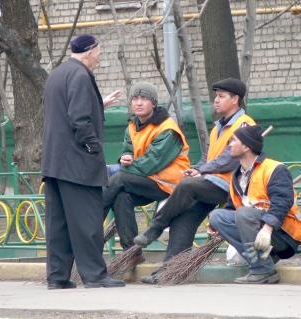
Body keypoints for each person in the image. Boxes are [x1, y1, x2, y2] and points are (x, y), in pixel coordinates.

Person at [134, 77, 256, 284]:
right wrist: (198, 169)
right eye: (216, 96)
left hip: (232, 186)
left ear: (235, 99)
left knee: (187, 186)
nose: (216, 101)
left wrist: (202, 171)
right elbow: (207, 156)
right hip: (212, 184)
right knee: (183, 219)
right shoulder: (218, 127)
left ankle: (156, 226)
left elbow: (229, 160)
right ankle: (169, 271)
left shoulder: (244, 125)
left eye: (221, 97)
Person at [42, 34, 125, 289]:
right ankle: (95, 275)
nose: (100, 57)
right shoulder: (80, 75)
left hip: (55, 162)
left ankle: (57, 277)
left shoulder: (58, 73)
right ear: (89, 51)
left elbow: (65, 110)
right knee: (87, 220)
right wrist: (92, 147)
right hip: (77, 163)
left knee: (59, 224)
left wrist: (99, 104)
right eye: (99, 52)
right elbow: (79, 119)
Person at [208, 125, 301, 284]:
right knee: (217, 217)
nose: (229, 144)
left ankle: (262, 270)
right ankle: (264, 261)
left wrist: (267, 228)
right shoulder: (237, 176)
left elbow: (282, 202)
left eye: (233, 141)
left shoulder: (274, 169)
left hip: (283, 234)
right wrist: (217, 227)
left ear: (246, 146)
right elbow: (233, 209)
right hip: (255, 229)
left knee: (244, 214)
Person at [102, 82, 190, 255]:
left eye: (144, 99)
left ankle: (89, 225)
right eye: (135, 98)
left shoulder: (167, 129)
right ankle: (131, 253)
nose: (139, 103)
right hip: (146, 181)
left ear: (154, 103)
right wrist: (125, 158)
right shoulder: (132, 126)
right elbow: (128, 150)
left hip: (169, 185)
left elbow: (151, 164)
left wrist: (123, 168)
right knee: (121, 196)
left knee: (118, 179)